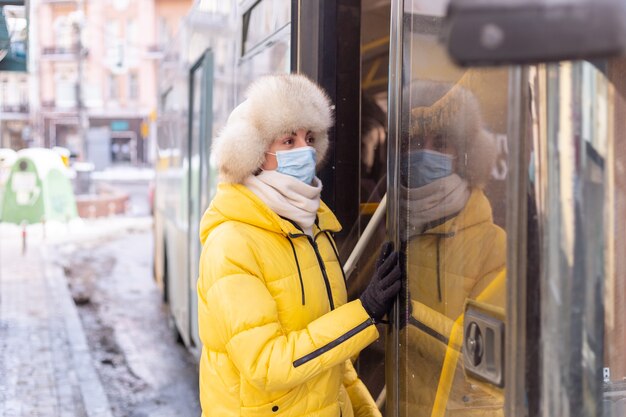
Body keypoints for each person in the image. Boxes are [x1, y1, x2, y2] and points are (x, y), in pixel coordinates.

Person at [197, 73, 402, 417]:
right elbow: (267, 364)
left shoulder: (313, 226)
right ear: (255, 153)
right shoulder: (231, 243)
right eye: (288, 141)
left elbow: (334, 362)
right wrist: (364, 313)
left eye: (310, 138)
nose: (304, 150)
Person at [399, 83, 507, 416]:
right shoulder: (391, 229)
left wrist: (410, 316)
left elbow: (487, 361)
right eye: (414, 142)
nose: (423, 152)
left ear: (464, 156)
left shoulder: (495, 246)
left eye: (440, 143)